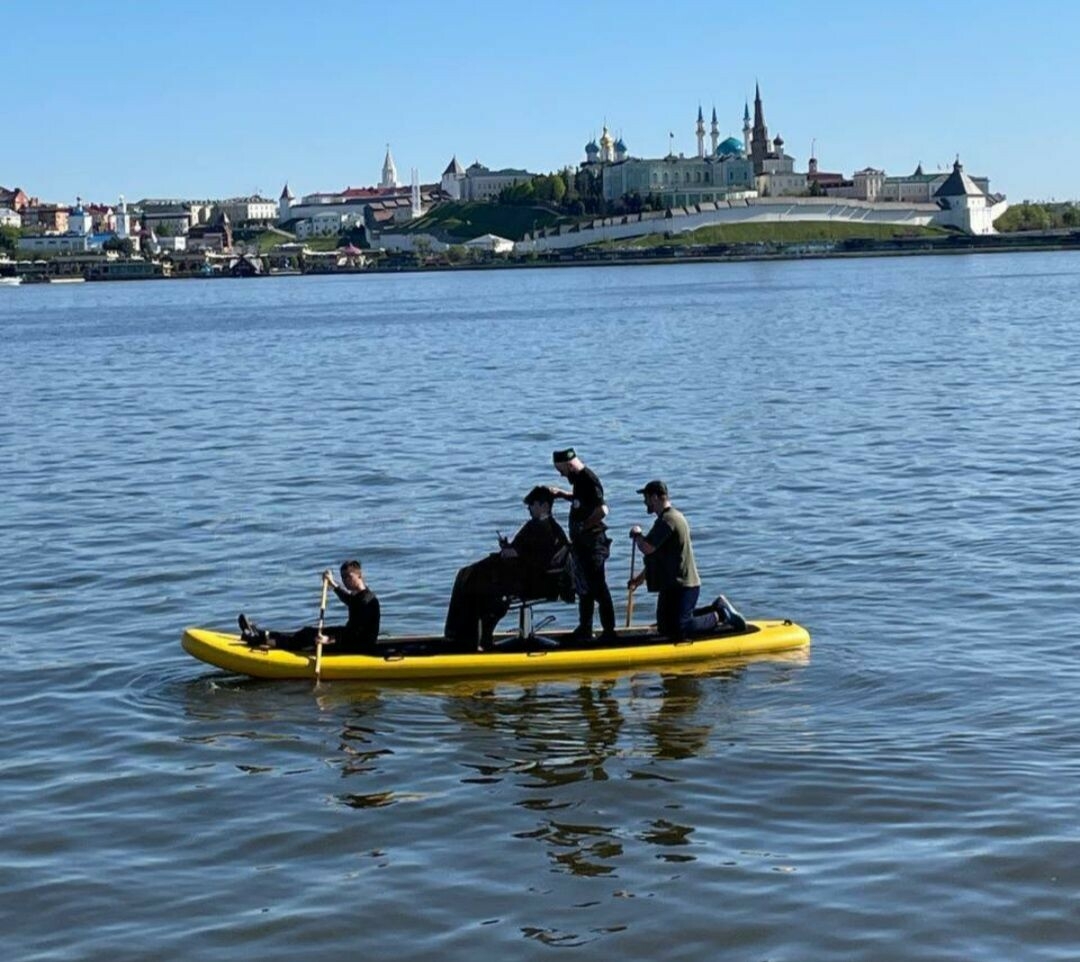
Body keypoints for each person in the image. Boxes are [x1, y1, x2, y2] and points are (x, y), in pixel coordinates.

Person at [444, 486, 571, 648]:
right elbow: (521, 549)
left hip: (533, 580)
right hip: (518, 573)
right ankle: (460, 636)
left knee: (477, 587)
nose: (529, 509)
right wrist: (509, 548)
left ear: (544, 506)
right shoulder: (534, 526)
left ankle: (473, 639)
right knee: (465, 575)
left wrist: (513, 553)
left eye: (532, 505)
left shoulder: (549, 530)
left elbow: (538, 560)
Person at [627, 480, 745, 640]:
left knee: (680, 628)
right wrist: (639, 580)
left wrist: (637, 535)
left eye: (646, 498)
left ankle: (720, 615)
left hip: (683, 585)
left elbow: (647, 548)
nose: (644, 502)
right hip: (672, 585)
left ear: (655, 497)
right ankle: (716, 607)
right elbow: (656, 557)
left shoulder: (669, 519)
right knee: (665, 627)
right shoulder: (664, 520)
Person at [238, 559, 381, 654]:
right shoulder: (358, 597)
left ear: (360, 576)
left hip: (358, 646)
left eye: (349, 577)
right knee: (306, 632)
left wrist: (328, 640)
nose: (345, 581)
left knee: (306, 639)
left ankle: (257, 640)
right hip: (349, 636)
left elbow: (357, 635)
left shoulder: (367, 601)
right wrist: (332, 583)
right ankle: (261, 633)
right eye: (343, 577)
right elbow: (349, 600)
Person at [550, 448, 617, 643]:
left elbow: (602, 509)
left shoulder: (588, 478)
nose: (560, 474)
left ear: (569, 465)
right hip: (581, 545)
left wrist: (584, 527)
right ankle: (585, 628)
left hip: (593, 544)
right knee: (584, 588)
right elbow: (582, 501)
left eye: (561, 470)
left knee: (598, 587)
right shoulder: (579, 481)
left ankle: (609, 631)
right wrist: (564, 495)